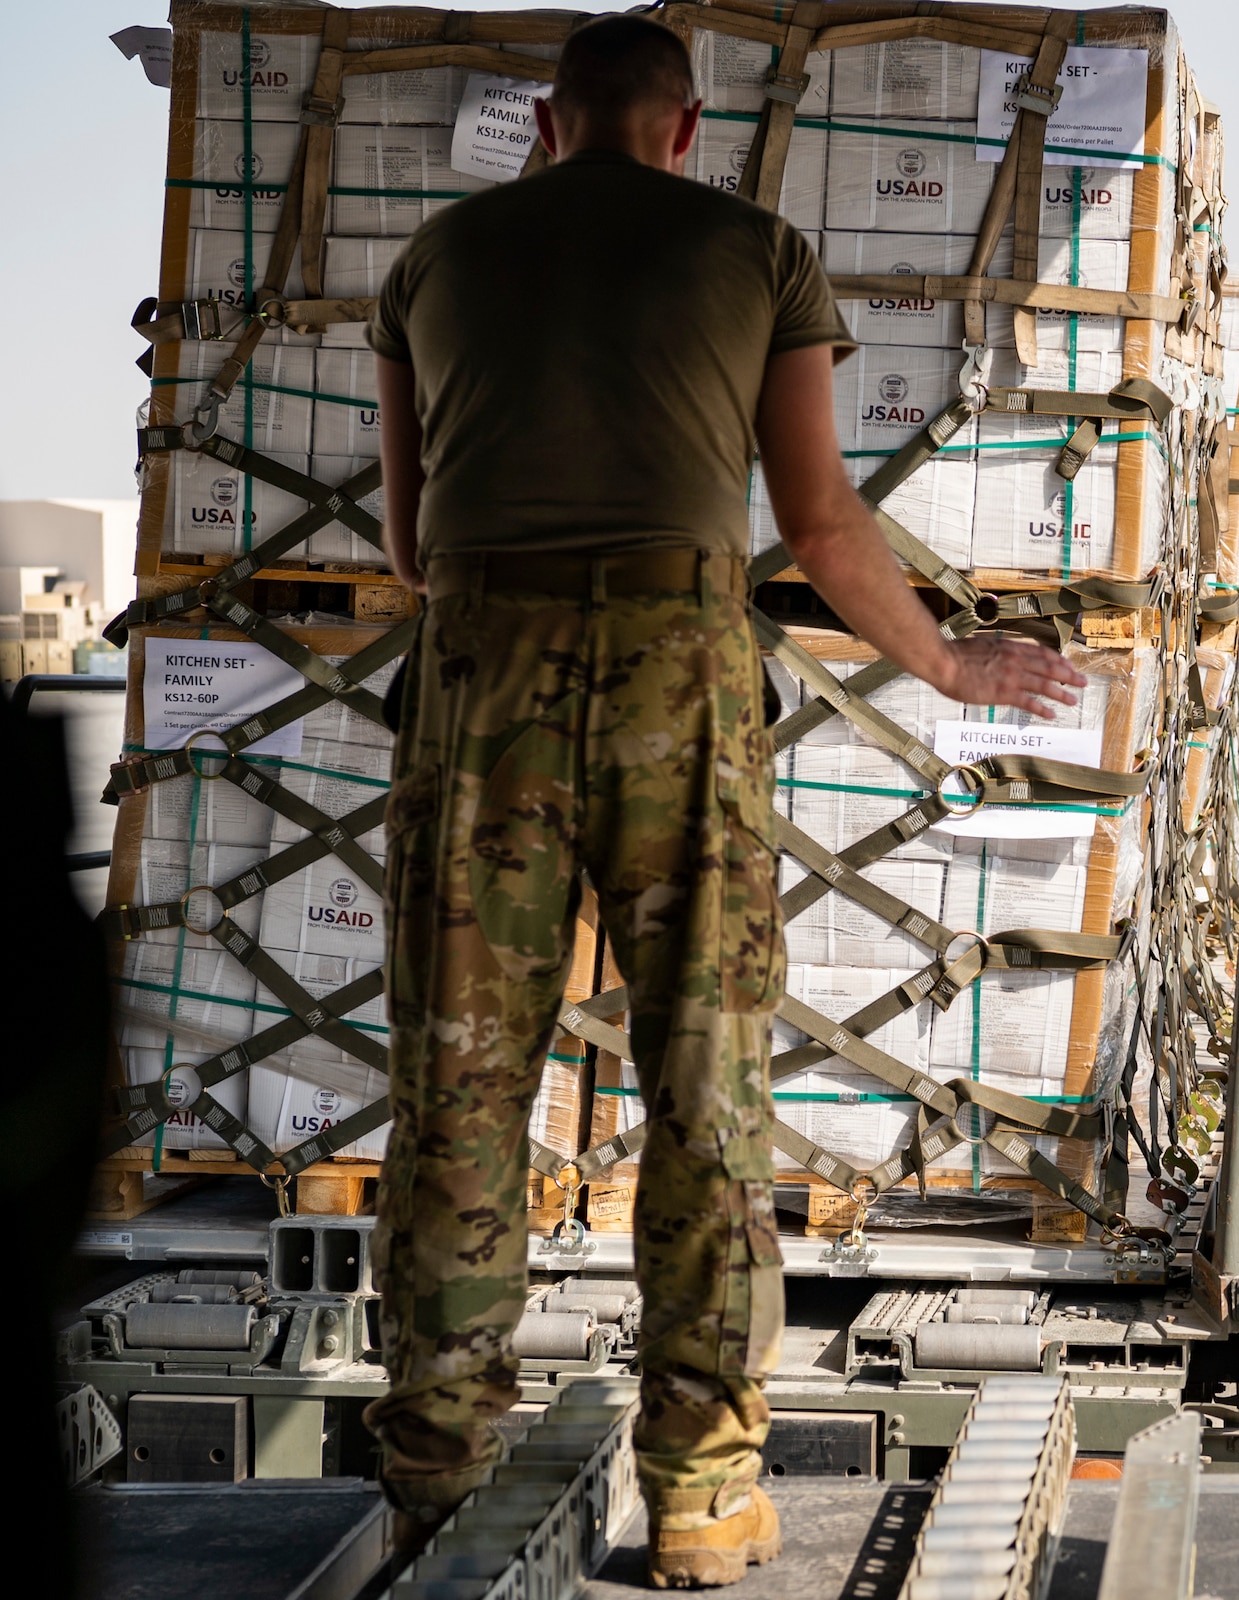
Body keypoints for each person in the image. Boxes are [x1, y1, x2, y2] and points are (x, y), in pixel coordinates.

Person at [360, 15, 1085, 1588]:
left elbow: (410, 556)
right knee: (704, 1089)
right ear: (685, 131)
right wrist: (955, 670)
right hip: (675, 685)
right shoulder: (759, 251)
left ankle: (438, 1479)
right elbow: (821, 525)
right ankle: (699, 1492)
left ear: (552, 125)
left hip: (482, 679)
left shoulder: (434, 260)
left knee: (462, 1092)